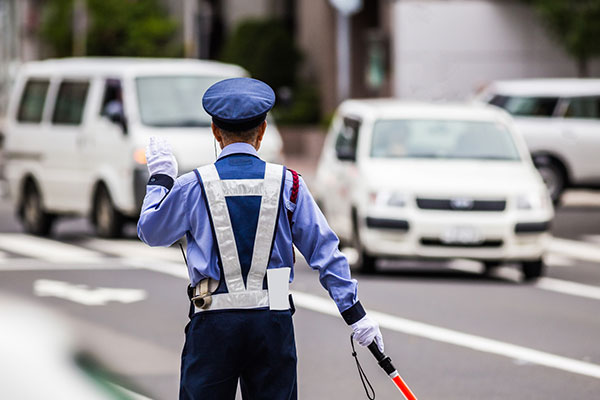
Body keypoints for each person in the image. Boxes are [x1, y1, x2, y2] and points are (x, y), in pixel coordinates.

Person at [137, 77, 384, 400]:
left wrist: (160, 179)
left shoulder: (194, 185)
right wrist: (356, 316)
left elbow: (151, 231)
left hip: (212, 321)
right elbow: (326, 252)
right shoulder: (289, 184)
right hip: (273, 321)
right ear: (263, 130)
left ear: (215, 131)